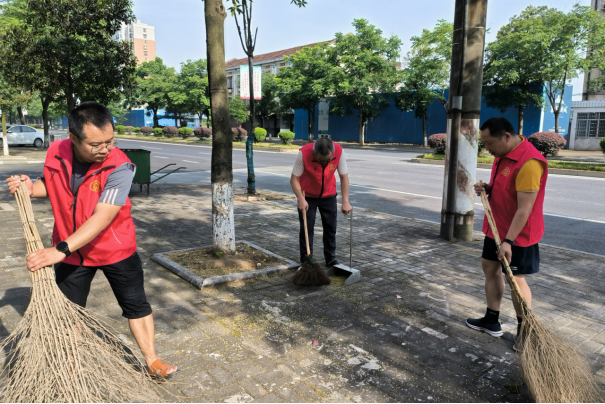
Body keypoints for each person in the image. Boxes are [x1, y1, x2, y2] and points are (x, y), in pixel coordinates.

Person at [5, 102, 177, 377]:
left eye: (110, 141)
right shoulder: (56, 151)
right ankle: (71, 364)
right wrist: (30, 188)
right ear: (73, 138)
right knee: (70, 311)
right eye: (96, 144)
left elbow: (103, 216)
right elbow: (49, 183)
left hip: (114, 249)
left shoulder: (120, 166)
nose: (105, 149)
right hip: (72, 252)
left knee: (135, 304)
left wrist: (60, 250)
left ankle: (152, 360)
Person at [466, 117, 548, 351]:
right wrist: (488, 189)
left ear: (506, 137)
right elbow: (507, 188)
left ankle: (526, 332)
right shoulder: (503, 154)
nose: (487, 149)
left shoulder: (529, 162)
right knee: (489, 267)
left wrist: (508, 241)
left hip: (518, 234)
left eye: (489, 143)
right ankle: (491, 320)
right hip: (496, 227)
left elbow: (524, 209)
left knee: (515, 279)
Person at [290, 138, 353, 268]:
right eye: (320, 160)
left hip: (329, 195)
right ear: (314, 153)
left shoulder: (339, 151)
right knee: (307, 229)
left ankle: (330, 258)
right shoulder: (304, 153)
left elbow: (344, 177)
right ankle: (306, 260)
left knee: (330, 228)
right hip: (307, 195)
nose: (324, 163)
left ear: (332, 153)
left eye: (327, 160)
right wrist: (301, 199)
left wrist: (345, 201)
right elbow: (294, 179)